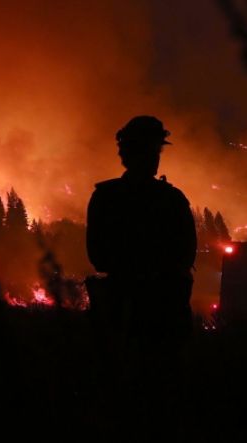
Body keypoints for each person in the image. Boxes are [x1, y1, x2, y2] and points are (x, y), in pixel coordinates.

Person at [86, 115, 197, 339]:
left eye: (156, 152)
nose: (155, 158)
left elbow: (97, 256)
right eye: (152, 151)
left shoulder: (106, 197)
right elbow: (186, 255)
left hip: (122, 312)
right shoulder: (171, 199)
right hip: (160, 315)